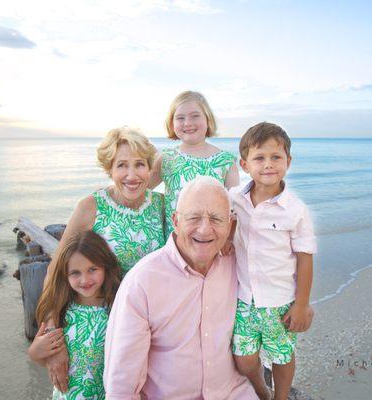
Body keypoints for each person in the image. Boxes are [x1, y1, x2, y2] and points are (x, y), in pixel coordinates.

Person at [104, 176, 258, 399]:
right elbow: (122, 381)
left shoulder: (238, 265)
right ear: (176, 221)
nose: (204, 230)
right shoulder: (143, 281)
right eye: (194, 218)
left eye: (216, 219)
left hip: (232, 393)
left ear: (230, 224)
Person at [44, 127, 166, 392]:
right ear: (109, 169)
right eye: (122, 165)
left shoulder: (162, 206)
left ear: (150, 169)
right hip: (95, 331)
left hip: (149, 328)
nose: (131, 175)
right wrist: (52, 343)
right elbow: (56, 270)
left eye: (139, 165)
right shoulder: (92, 206)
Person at [229, 122, 317, 400]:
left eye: (276, 157)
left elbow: (305, 259)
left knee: (282, 355)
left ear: (288, 161)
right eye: (259, 158)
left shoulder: (296, 210)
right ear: (245, 164)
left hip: (279, 302)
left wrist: (301, 304)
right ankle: (261, 390)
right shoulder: (233, 199)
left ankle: (280, 397)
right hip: (243, 299)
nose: (268, 165)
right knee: (244, 360)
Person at [28, 230, 121, 400]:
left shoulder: (116, 308)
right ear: (65, 274)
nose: (84, 280)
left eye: (92, 269)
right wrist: (35, 352)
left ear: (105, 267)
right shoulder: (61, 311)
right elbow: (50, 362)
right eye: (75, 273)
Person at [149, 90, 239, 237]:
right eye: (180, 118)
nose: (187, 123)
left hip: (210, 240)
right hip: (174, 244)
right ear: (172, 123)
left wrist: (228, 240)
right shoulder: (166, 158)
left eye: (195, 116)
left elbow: (234, 209)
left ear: (208, 119)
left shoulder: (225, 161)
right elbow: (141, 189)